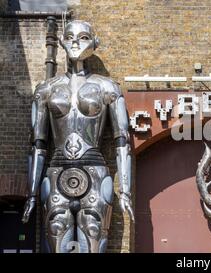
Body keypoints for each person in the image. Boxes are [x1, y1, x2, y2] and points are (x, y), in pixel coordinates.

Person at [21, 20, 134, 253]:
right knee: (55, 230)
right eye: (70, 37)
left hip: (94, 170)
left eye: (83, 37)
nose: (75, 43)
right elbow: (38, 144)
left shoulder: (108, 88)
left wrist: (125, 191)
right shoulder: (46, 90)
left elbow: (122, 142)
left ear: (94, 43)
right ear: (62, 41)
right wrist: (31, 193)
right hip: (56, 171)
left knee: (93, 231)